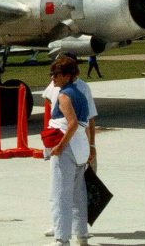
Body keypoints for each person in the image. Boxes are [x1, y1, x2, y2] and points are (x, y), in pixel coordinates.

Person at [46, 56, 90, 246]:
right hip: (81, 147)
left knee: (60, 194)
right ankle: (82, 235)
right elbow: (85, 124)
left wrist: (60, 146)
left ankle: (62, 239)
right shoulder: (80, 94)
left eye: (55, 74)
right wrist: (89, 147)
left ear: (66, 76)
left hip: (67, 147)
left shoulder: (64, 96)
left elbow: (71, 124)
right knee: (79, 194)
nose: (53, 77)